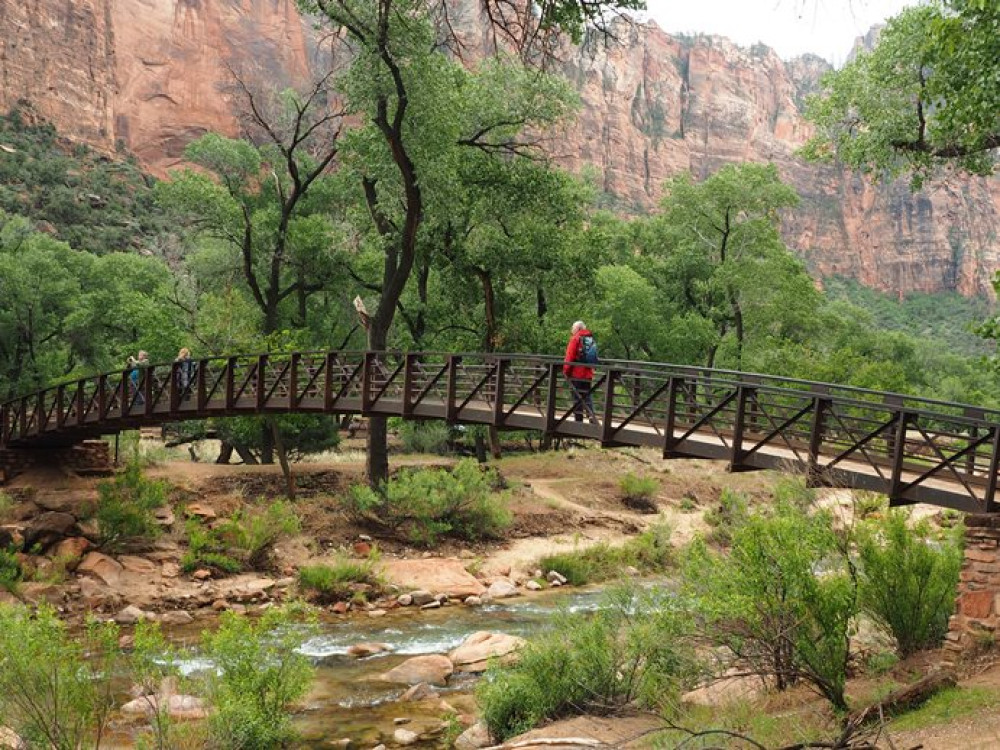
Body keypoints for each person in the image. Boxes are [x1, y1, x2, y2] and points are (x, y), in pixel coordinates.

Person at [563, 320, 597, 423]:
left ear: (577, 329)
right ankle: (591, 415)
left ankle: (578, 421)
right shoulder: (590, 339)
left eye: (572, 328)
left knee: (577, 397)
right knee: (587, 395)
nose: (571, 330)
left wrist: (565, 371)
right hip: (588, 373)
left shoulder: (575, 339)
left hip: (576, 373)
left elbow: (569, 357)